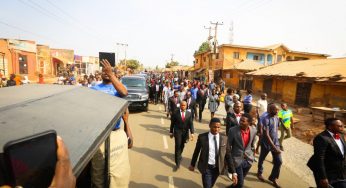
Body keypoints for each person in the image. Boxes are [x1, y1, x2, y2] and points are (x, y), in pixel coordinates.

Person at [90, 59, 131, 188]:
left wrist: (112, 74)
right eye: (104, 71)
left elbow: (124, 92)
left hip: (115, 134)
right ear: (100, 74)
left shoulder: (117, 88)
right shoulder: (94, 89)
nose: (106, 73)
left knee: (117, 174)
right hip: (99, 136)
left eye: (109, 71)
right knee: (98, 174)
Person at [189, 118, 237, 188]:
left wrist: (234, 172)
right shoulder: (202, 137)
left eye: (218, 127)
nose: (216, 129)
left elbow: (228, 155)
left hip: (217, 168)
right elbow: (196, 151)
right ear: (210, 126)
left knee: (211, 184)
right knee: (207, 186)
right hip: (206, 167)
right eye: (214, 127)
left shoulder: (224, 138)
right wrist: (192, 164)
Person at [307, 118, 346, 188]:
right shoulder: (321, 138)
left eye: (342, 125)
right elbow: (319, 158)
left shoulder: (340, 135)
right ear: (330, 127)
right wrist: (323, 177)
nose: (342, 127)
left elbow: (342, 154)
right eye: (339, 126)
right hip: (325, 171)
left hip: (338, 171)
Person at [228, 113, 257, 188]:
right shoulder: (232, 130)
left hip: (248, 160)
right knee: (241, 184)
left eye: (243, 121)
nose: (240, 122)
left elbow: (252, 144)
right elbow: (228, 147)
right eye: (240, 120)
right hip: (237, 160)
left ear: (249, 123)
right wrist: (228, 160)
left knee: (239, 181)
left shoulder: (253, 130)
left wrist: (253, 154)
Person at [257, 103, 282, 188]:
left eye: (278, 109)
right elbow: (266, 134)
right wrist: (274, 147)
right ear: (271, 110)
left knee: (279, 161)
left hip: (275, 142)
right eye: (276, 110)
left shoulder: (277, 118)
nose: (278, 111)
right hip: (266, 143)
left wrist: (277, 143)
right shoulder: (265, 119)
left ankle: (273, 178)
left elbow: (275, 129)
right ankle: (259, 172)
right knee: (262, 158)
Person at [170, 101, 194, 171]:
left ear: (186, 106)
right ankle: (177, 163)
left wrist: (192, 133)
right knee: (177, 146)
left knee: (182, 145)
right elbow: (172, 123)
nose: (183, 106)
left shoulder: (189, 114)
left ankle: (179, 155)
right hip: (177, 131)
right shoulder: (175, 113)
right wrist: (171, 132)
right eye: (182, 105)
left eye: (184, 105)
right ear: (180, 106)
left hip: (185, 133)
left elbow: (191, 124)